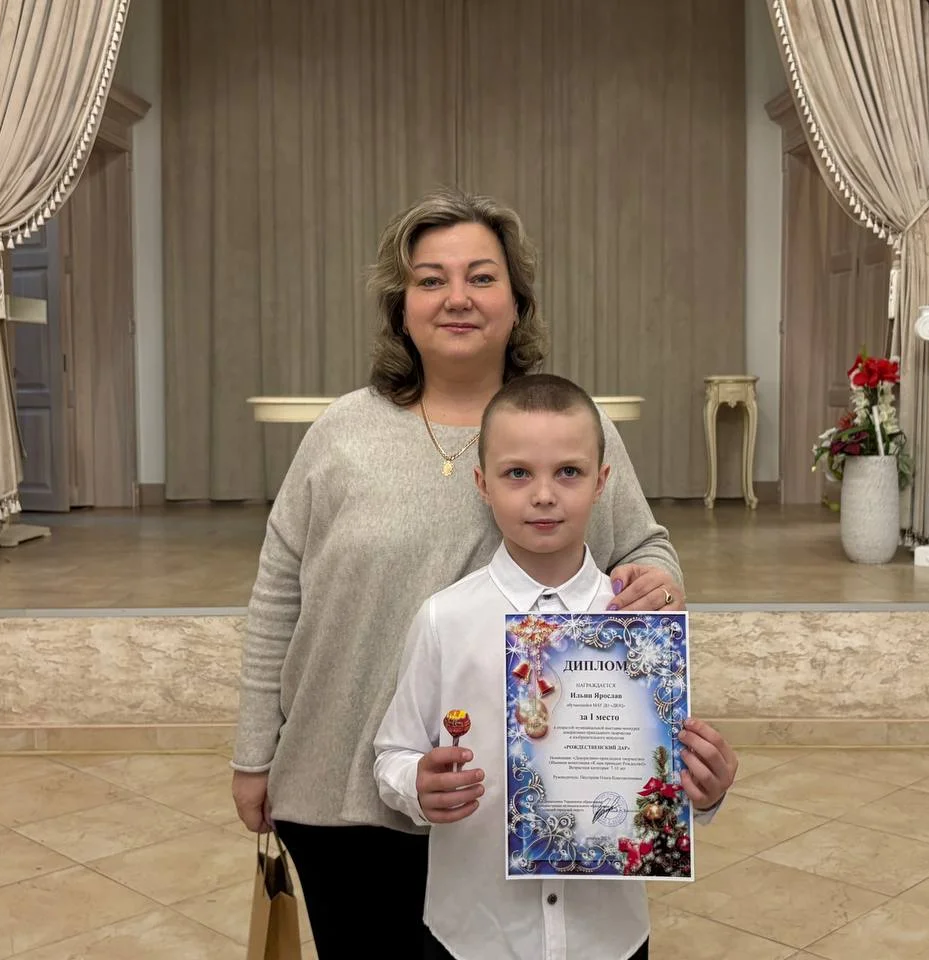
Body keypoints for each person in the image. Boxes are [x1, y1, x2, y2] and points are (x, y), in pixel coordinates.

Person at [230, 188, 686, 959]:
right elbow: (277, 596)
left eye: (481, 276)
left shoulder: (562, 426)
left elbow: (644, 546)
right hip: (338, 786)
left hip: (501, 799)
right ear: (401, 307)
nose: (457, 297)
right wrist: (253, 755)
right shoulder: (340, 433)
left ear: (517, 301)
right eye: (430, 280)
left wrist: (657, 584)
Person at [374, 374, 739, 960]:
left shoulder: (638, 624)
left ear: (602, 482)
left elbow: (656, 770)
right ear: (482, 484)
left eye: (568, 471)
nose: (543, 494)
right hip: (472, 936)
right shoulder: (444, 618)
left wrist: (705, 791)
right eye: (518, 473)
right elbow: (393, 752)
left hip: (609, 939)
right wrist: (416, 785)